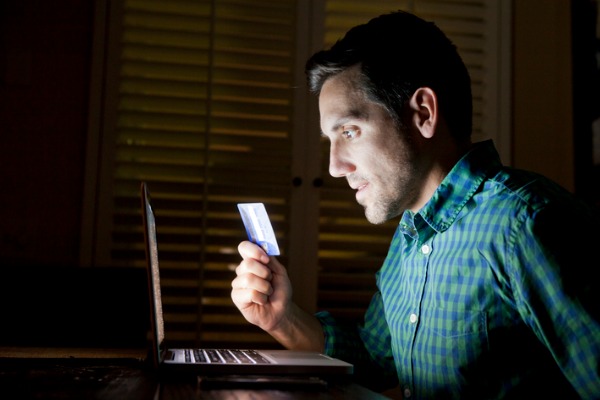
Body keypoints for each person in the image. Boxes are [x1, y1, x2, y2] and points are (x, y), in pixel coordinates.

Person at [230, 10, 600, 399]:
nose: (335, 167)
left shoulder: (528, 225)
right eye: (330, 140)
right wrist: (283, 318)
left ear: (423, 113)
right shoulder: (410, 237)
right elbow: (373, 359)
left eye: (350, 131)